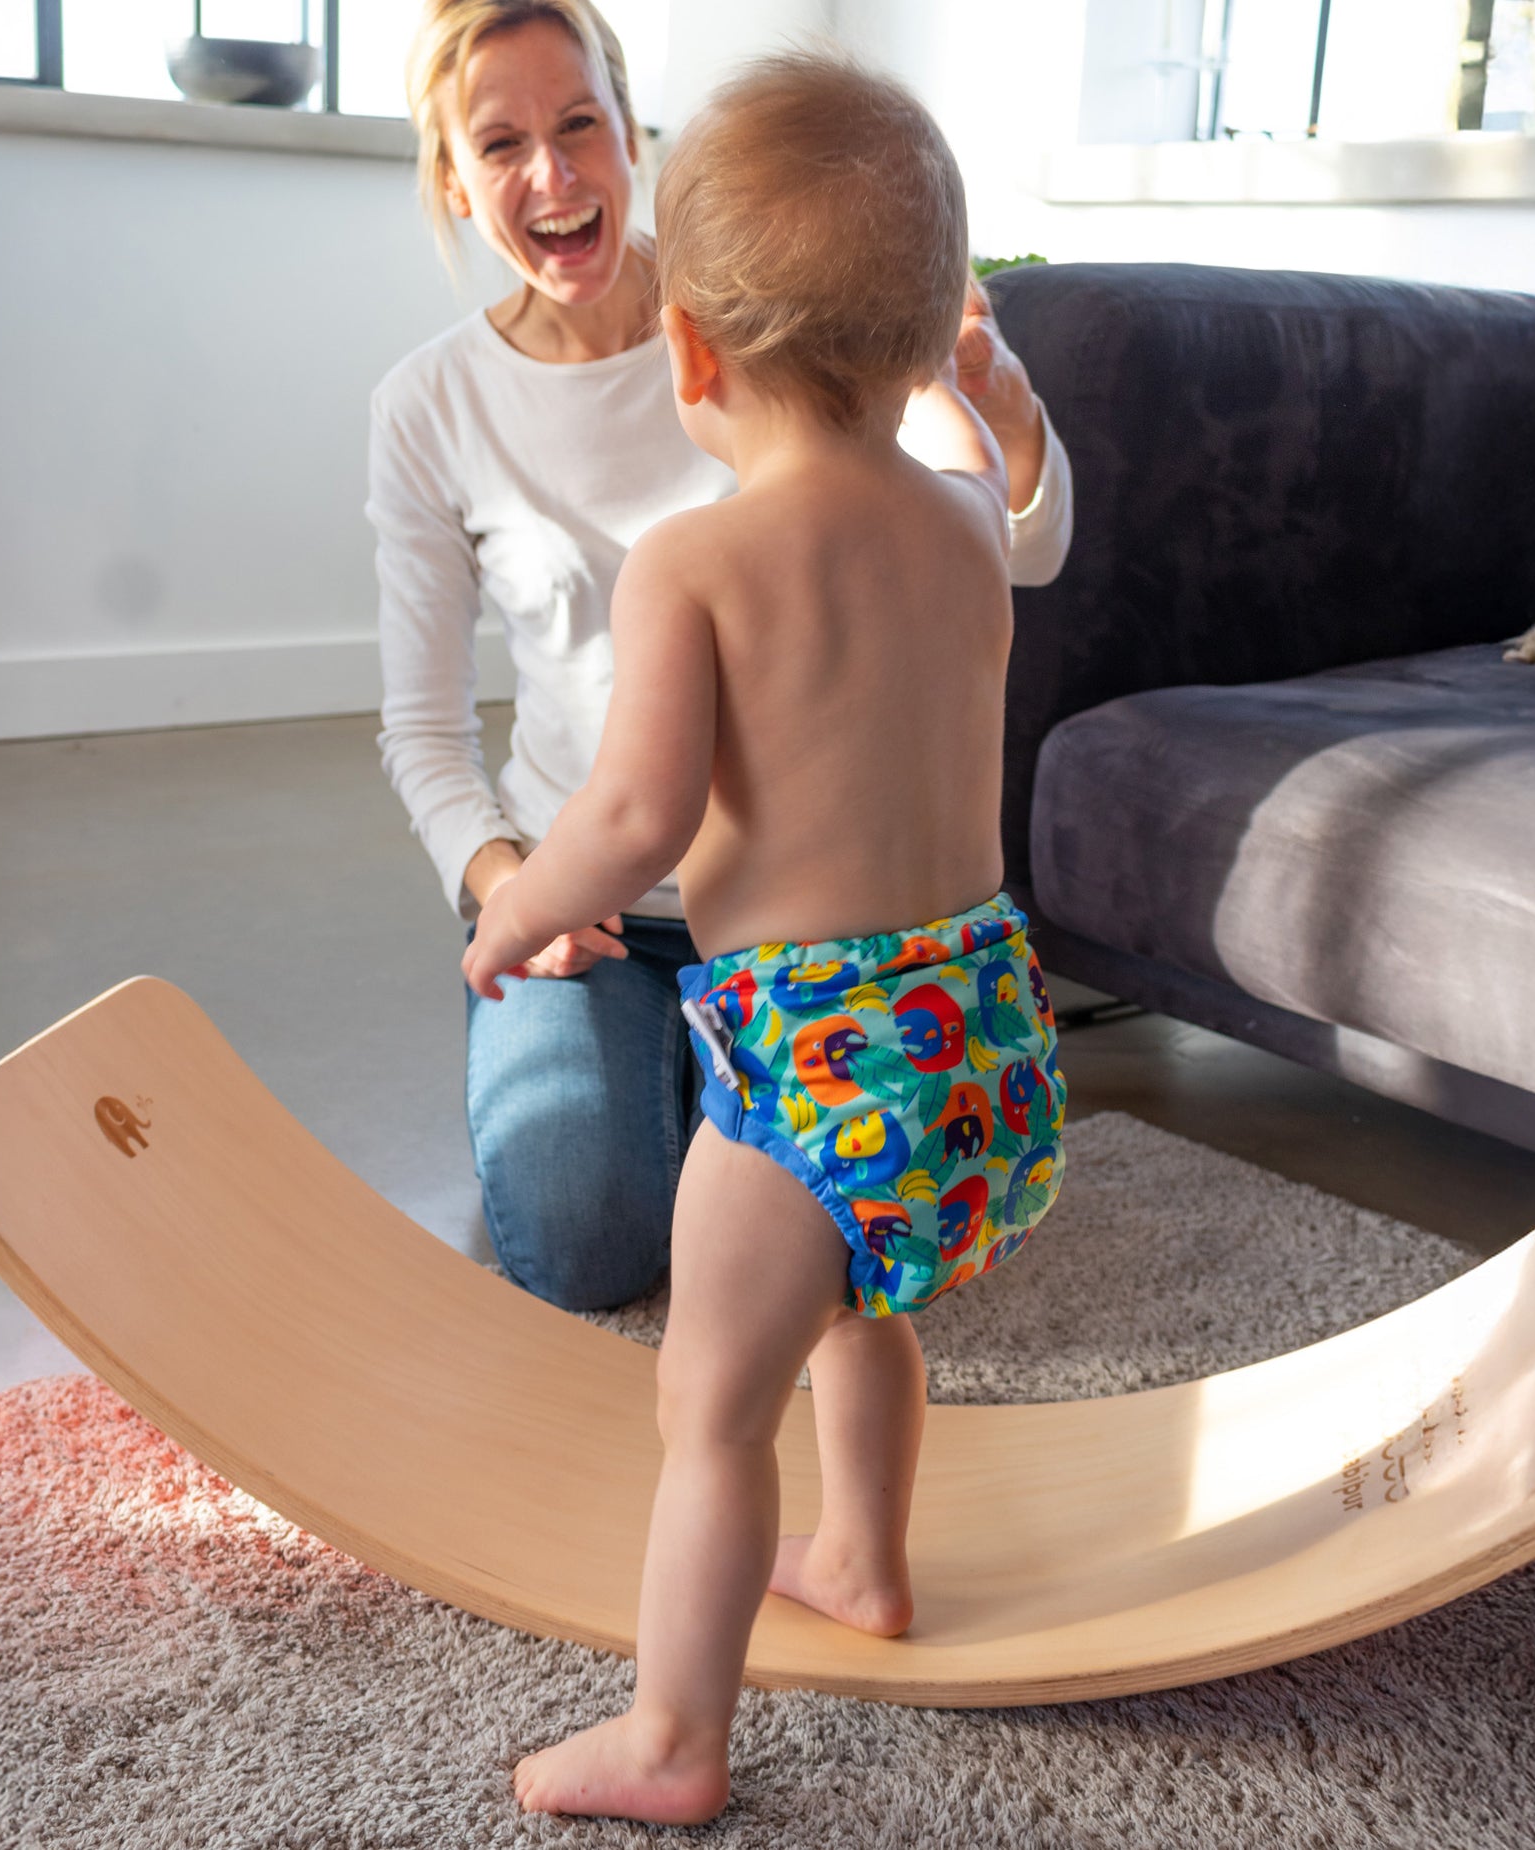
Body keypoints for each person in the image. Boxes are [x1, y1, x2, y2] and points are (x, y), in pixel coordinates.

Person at [462, 49, 1067, 1827]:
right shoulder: (966, 523)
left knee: (709, 1408)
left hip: (807, 1058)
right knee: (859, 1311)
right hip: (976, 1043)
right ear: (923, 341)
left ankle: (673, 1735)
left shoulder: (694, 563)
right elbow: (986, 494)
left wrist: (518, 901)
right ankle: (863, 1558)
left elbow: (634, 822)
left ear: (691, 352)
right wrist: (992, 403)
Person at [368, 0, 1074, 1313]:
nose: (551, 173)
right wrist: (510, 886)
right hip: (665, 933)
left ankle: (732, 1114)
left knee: (714, 1362)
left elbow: (640, 811)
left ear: (630, 135)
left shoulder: (765, 353)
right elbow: (425, 733)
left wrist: (1012, 420)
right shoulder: (429, 405)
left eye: (579, 124)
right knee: (652, 1249)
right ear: (454, 179)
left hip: (798, 960)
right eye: (501, 143)